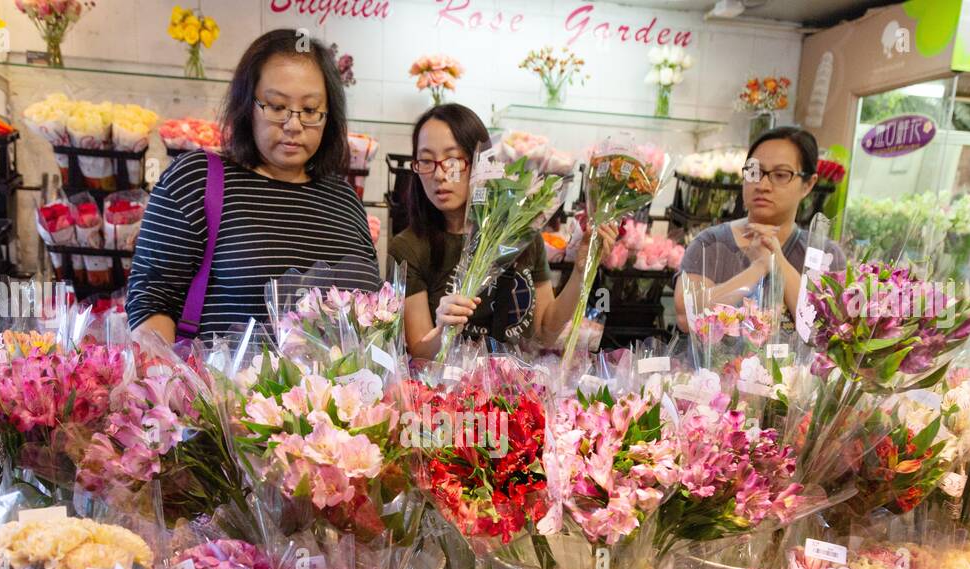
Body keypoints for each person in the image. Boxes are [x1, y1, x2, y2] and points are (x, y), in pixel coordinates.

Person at [128, 29, 378, 343]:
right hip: (220, 390)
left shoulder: (345, 200)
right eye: (276, 107)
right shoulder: (196, 180)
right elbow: (151, 298)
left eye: (311, 110)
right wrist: (166, 382)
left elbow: (372, 314)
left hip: (343, 392)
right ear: (248, 105)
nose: (293, 125)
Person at [389, 104, 617, 360]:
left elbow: (545, 332)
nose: (440, 175)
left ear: (481, 162)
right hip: (451, 394)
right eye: (427, 161)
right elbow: (419, 352)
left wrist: (581, 271)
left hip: (518, 391)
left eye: (453, 161)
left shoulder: (522, 233)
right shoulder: (408, 247)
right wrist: (444, 331)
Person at [675, 126, 844, 328]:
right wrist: (758, 268)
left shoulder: (825, 254)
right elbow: (686, 317)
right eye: (754, 172)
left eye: (780, 175)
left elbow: (825, 328)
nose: (762, 185)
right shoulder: (711, 243)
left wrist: (777, 261)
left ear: (808, 185)